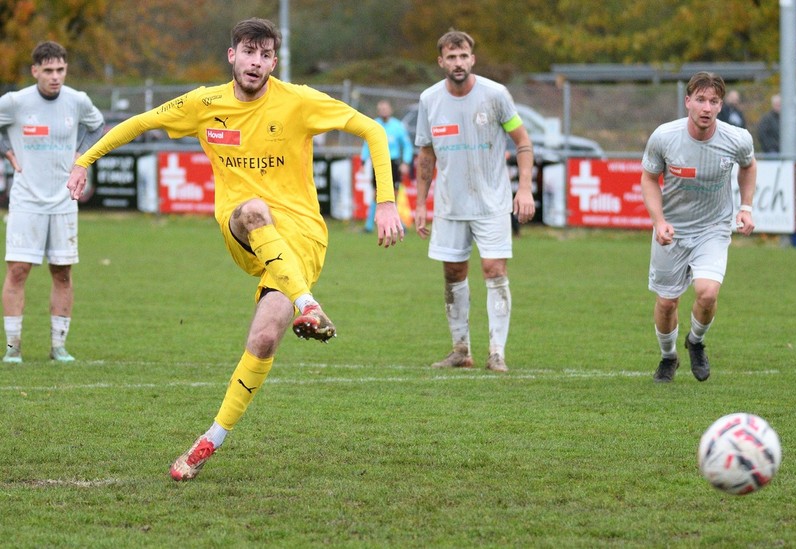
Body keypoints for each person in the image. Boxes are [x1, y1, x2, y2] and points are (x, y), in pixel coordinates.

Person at [65, 18, 404, 480]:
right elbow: (142, 122)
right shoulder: (204, 104)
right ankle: (309, 305)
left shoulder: (299, 100)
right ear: (232, 55)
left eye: (265, 55)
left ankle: (210, 440)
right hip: (242, 228)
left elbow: (373, 131)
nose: (256, 62)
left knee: (263, 340)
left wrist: (386, 202)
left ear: (274, 62)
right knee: (254, 208)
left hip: (301, 239)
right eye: (248, 52)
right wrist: (84, 160)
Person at [413, 30, 535, 373]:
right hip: (450, 205)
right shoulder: (429, 99)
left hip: (491, 204)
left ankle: (497, 352)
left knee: (494, 270)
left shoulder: (495, 95)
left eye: (463, 56)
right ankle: (461, 350)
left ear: (473, 59)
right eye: (451, 57)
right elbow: (426, 154)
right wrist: (421, 203)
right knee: (453, 272)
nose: (458, 63)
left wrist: (524, 189)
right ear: (441, 61)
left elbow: (523, 142)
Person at [640, 71, 756, 383]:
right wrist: (659, 222)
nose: (706, 107)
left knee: (707, 293)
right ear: (688, 101)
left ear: (721, 106)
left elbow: (748, 166)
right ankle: (668, 356)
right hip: (673, 230)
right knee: (667, 303)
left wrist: (746, 207)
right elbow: (649, 179)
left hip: (713, 227)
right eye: (701, 100)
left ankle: (696, 341)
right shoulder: (664, 137)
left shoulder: (737, 138)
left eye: (713, 101)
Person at [0, 41, 105, 363]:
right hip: (26, 201)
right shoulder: (16, 102)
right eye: (48, 70)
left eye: (60, 69)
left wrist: (81, 156)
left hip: (64, 200)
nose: (55, 76)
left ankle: (58, 346)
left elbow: (98, 126)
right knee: (18, 271)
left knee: (62, 272)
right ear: (35, 71)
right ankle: (13, 348)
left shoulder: (78, 101)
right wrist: (7, 150)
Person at [361, 99, 413, 232]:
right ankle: (369, 226)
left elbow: (407, 145)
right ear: (378, 111)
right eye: (381, 109)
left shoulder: (398, 126)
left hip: (393, 162)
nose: (383, 111)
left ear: (390, 110)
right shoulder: (374, 124)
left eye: (385, 108)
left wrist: (406, 162)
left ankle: (398, 223)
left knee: (394, 194)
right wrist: (363, 160)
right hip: (377, 163)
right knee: (376, 193)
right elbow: (367, 144)